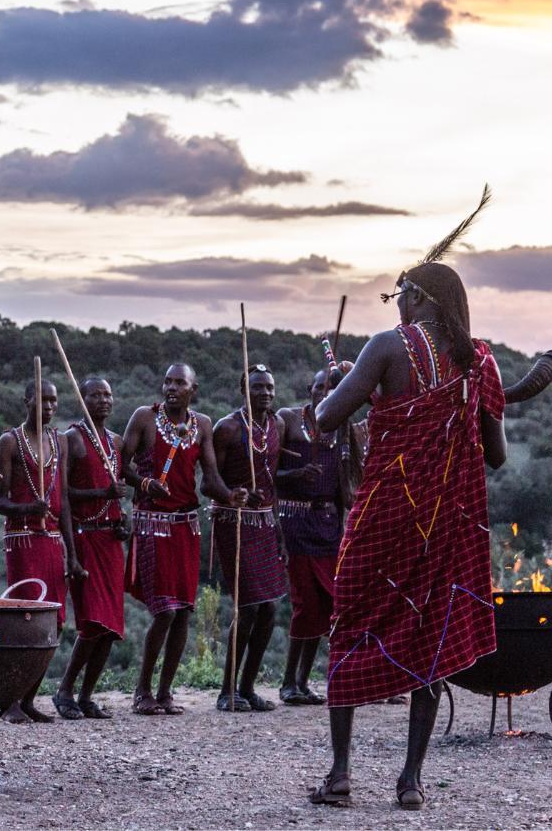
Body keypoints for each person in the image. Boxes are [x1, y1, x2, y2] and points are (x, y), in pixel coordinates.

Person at [308, 253, 506, 811]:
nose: (395, 304)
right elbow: (497, 456)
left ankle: (341, 775)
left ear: (420, 298)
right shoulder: (480, 364)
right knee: (429, 639)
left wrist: (349, 385)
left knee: (348, 629)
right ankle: (411, 782)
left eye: (399, 293)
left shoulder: (387, 347)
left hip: (382, 519)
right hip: (445, 529)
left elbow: (326, 418)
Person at [121, 363, 245, 716]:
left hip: (185, 526)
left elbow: (210, 476)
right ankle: (142, 690)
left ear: (194, 389)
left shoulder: (202, 424)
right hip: (152, 524)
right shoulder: (144, 418)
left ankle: (165, 692)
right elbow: (122, 464)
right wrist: (144, 484)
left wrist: (229, 495)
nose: (171, 387)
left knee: (184, 612)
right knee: (165, 611)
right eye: (168, 381)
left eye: (180, 383)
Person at [0, 377, 85, 724]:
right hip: (22, 540)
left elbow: (62, 502)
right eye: (42, 400)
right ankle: (10, 701)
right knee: (27, 620)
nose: (48, 407)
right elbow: (0, 502)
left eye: (53, 401)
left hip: (53, 542)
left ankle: (29, 697)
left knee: (56, 622)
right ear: (27, 400)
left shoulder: (58, 441)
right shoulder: (10, 442)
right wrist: (28, 508)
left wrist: (73, 556)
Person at [275, 366, 361, 706]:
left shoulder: (343, 429)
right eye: (321, 386)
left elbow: (345, 485)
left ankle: (302, 681)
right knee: (303, 605)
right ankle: (286, 683)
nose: (326, 392)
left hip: (328, 527)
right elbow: (268, 473)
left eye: (334, 387)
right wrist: (297, 473)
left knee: (326, 606)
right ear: (309, 388)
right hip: (295, 523)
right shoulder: (289, 420)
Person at [212, 364, 288, 713]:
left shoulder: (278, 426)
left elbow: (275, 480)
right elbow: (208, 483)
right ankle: (226, 691)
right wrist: (233, 494)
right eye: (258, 387)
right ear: (245, 389)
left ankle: (247, 687)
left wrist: (281, 532)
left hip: (267, 524)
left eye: (270, 388)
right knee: (248, 607)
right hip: (235, 523)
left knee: (270, 607)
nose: (266, 394)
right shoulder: (227, 429)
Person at [54, 377, 127, 720]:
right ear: (82, 399)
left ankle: (85, 695)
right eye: (95, 394)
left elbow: (119, 489)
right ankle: (64, 691)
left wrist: (122, 516)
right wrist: (71, 552)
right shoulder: (72, 439)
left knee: (110, 627)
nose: (102, 400)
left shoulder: (115, 441)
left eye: (107, 394)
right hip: (85, 537)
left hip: (111, 540)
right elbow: (63, 497)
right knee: (93, 621)